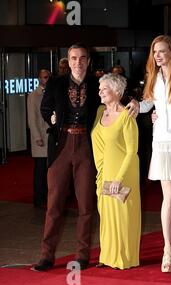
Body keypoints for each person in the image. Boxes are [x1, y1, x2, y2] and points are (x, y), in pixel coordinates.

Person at [31, 43, 100, 271]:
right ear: (67, 61)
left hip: (86, 147)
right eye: (73, 58)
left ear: (88, 61)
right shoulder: (56, 83)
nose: (77, 63)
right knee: (54, 205)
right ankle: (46, 256)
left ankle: (82, 255)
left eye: (81, 58)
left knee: (86, 205)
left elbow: (112, 104)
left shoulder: (97, 83)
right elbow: (44, 108)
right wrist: (52, 119)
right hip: (61, 145)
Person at [127, 35, 171, 272]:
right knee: (169, 196)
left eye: (162, 51)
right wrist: (136, 105)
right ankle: (167, 247)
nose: (158, 56)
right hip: (162, 141)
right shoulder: (152, 79)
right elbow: (147, 104)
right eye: (155, 52)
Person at [91, 73, 141, 269]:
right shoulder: (99, 111)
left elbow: (132, 152)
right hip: (103, 172)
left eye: (104, 88)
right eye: (100, 88)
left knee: (122, 217)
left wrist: (119, 179)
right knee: (106, 215)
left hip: (122, 173)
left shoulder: (127, 117)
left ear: (117, 91)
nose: (100, 91)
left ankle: (123, 258)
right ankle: (107, 256)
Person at [27, 69, 50, 209]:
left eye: (48, 77)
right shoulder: (33, 96)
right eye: (44, 77)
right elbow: (32, 119)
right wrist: (37, 137)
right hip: (40, 137)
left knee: (48, 169)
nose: (46, 80)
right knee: (40, 169)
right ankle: (39, 199)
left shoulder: (50, 93)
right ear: (39, 79)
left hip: (49, 136)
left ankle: (46, 196)